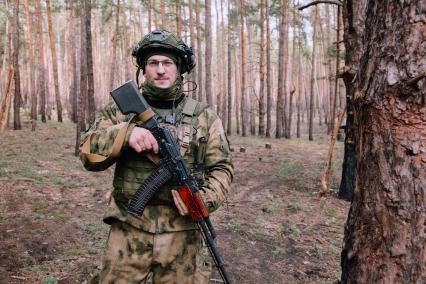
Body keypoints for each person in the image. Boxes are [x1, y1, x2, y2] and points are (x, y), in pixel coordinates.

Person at [79, 29, 233, 284]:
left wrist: (205, 198)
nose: (160, 70)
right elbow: (87, 152)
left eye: (167, 63)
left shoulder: (204, 116)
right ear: (144, 69)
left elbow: (222, 167)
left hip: (182, 233)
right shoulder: (121, 112)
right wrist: (125, 134)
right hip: (129, 228)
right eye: (153, 63)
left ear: (179, 69)